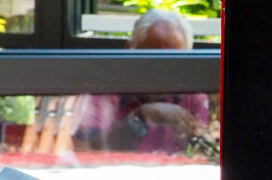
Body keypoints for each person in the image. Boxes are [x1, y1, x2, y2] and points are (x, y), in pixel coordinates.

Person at [72, 10, 210, 154]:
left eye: (173, 62)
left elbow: (207, 152)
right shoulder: (103, 89)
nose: (162, 71)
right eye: (153, 59)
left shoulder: (193, 96)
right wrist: (141, 117)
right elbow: (83, 147)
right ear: (129, 51)